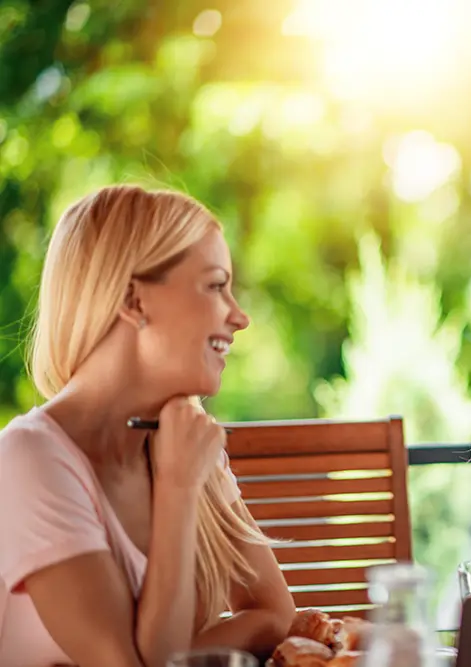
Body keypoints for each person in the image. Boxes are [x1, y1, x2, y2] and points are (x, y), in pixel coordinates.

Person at [0, 185, 295, 667]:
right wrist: (177, 488)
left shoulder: (185, 442)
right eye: (216, 285)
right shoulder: (27, 461)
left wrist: (166, 655)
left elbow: (276, 614)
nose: (239, 317)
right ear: (135, 300)